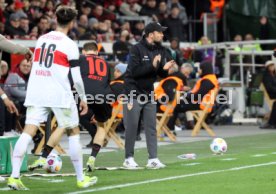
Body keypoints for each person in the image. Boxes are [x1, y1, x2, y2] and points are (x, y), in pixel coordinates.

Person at [7, 6, 97, 190]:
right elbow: (77, 78)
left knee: (27, 131)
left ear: (56, 19)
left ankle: (14, 177)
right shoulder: (70, 45)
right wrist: (83, 98)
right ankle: (81, 178)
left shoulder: (41, 39)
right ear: (72, 23)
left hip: (37, 90)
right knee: (73, 132)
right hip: (59, 93)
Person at [123, 22, 175, 169]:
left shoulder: (161, 49)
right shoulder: (136, 48)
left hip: (148, 91)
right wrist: (152, 66)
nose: (162, 35)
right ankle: (128, 158)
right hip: (133, 90)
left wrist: (164, 70)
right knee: (132, 126)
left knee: (151, 127)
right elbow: (134, 72)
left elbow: (158, 74)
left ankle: (153, 159)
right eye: (160, 32)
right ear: (151, 34)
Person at [167, 61, 219, 130]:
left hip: (200, 104)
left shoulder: (207, 80)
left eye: (200, 69)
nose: (199, 71)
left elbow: (198, 96)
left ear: (204, 69)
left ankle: (169, 129)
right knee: (177, 103)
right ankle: (171, 128)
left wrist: (186, 96)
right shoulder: (212, 79)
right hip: (204, 104)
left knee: (174, 105)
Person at [260, 60, 276, 129]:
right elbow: (269, 87)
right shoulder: (266, 75)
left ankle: (272, 122)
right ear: (267, 67)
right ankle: (271, 123)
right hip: (273, 92)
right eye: (270, 66)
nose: (272, 67)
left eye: (273, 65)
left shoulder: (272, 75)